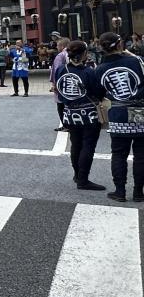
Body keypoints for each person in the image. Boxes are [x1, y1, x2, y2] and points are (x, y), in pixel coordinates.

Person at [91, 32, 144, 202]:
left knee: (119, 153)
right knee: (141, 155)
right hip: (140, 112)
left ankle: (120, 191)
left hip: (118, 113)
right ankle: (138, 192)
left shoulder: (99, 69)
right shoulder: (135, 61)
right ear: (120, 44)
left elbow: (97, 95)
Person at [52, 40, 105, 192]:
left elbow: (58, 87)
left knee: (76, 144)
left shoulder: (61, 69)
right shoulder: (88, 71)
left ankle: (77, 175)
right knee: (88, 145)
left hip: (69, 112)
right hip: (87, 114)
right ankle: (83, 179)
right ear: (84, 54)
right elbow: (98, 92)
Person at [49, 38, 71, 132]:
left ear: (62, 46)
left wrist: (55, 84)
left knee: (60, 105)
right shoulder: (72, 54)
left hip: (61, 83)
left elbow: (57, 71)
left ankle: (65, 124)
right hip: (71, 82)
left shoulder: (60, 55)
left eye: (58, 45)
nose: (57, 47)